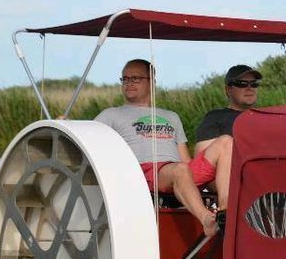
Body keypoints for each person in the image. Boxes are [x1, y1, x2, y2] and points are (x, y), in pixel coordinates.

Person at [95, 59, 233, 237]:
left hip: (177, 170)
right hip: (143, 172)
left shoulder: (171, 116)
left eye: (135, 78)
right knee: (180, 170)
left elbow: (185, 159)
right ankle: (207, 220)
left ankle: (225, 211)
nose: (129, 83)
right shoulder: (111, 114)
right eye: (125, 78)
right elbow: (89, 140)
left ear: (151, 81)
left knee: (226, 141)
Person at [194, 64, 261, 154]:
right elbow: (202, 158)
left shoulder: (265, 117)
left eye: (254, 84)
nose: (249, 88)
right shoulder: (215, 117)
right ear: (228, 90)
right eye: (242, 84)